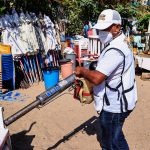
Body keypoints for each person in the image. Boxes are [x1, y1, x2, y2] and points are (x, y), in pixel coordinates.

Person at [75, 9, 137, 150]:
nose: (100, 33)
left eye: (105, 29)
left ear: (117, 27)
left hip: (115, 105)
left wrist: (82, 71)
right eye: (99, 29)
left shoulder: (116, 49)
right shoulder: (120, 42)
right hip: (122, 99)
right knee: (114, 135)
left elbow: (97, 78)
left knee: (112, 142)